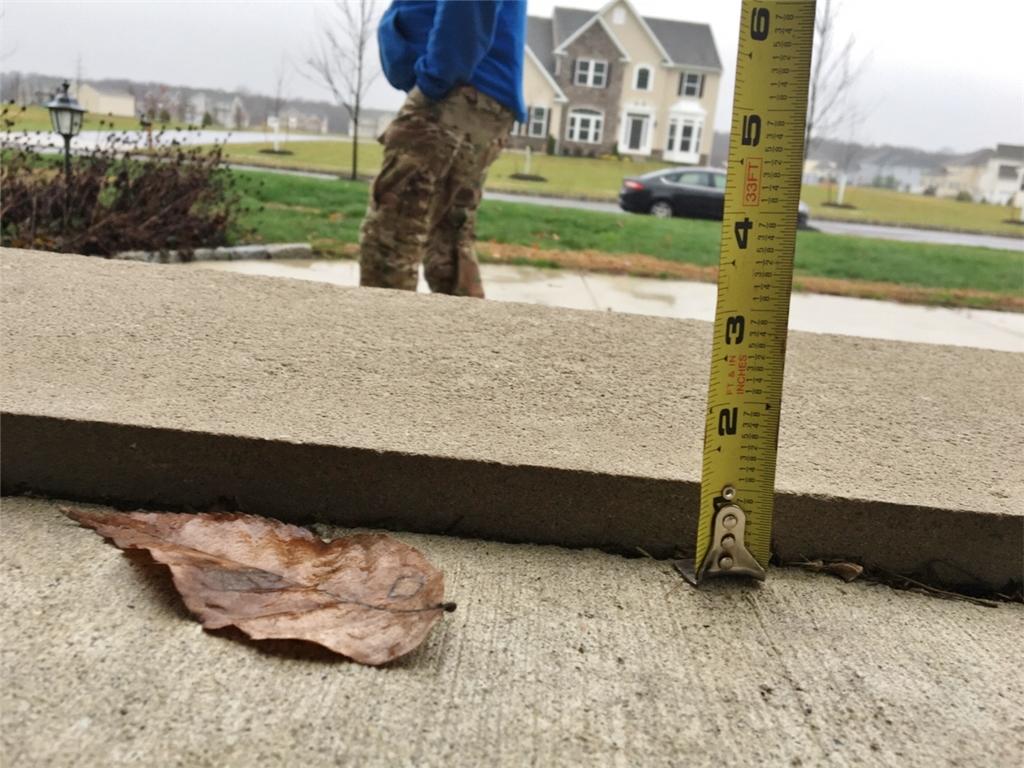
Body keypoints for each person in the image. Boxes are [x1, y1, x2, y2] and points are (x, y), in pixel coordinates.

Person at [359, 0, 526, 298]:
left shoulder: (447, 81)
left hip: (454, 92)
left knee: (391, 237)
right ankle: (464, 341)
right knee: (448, 243)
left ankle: (380, 341)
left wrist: (437, 78)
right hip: (478, 95)